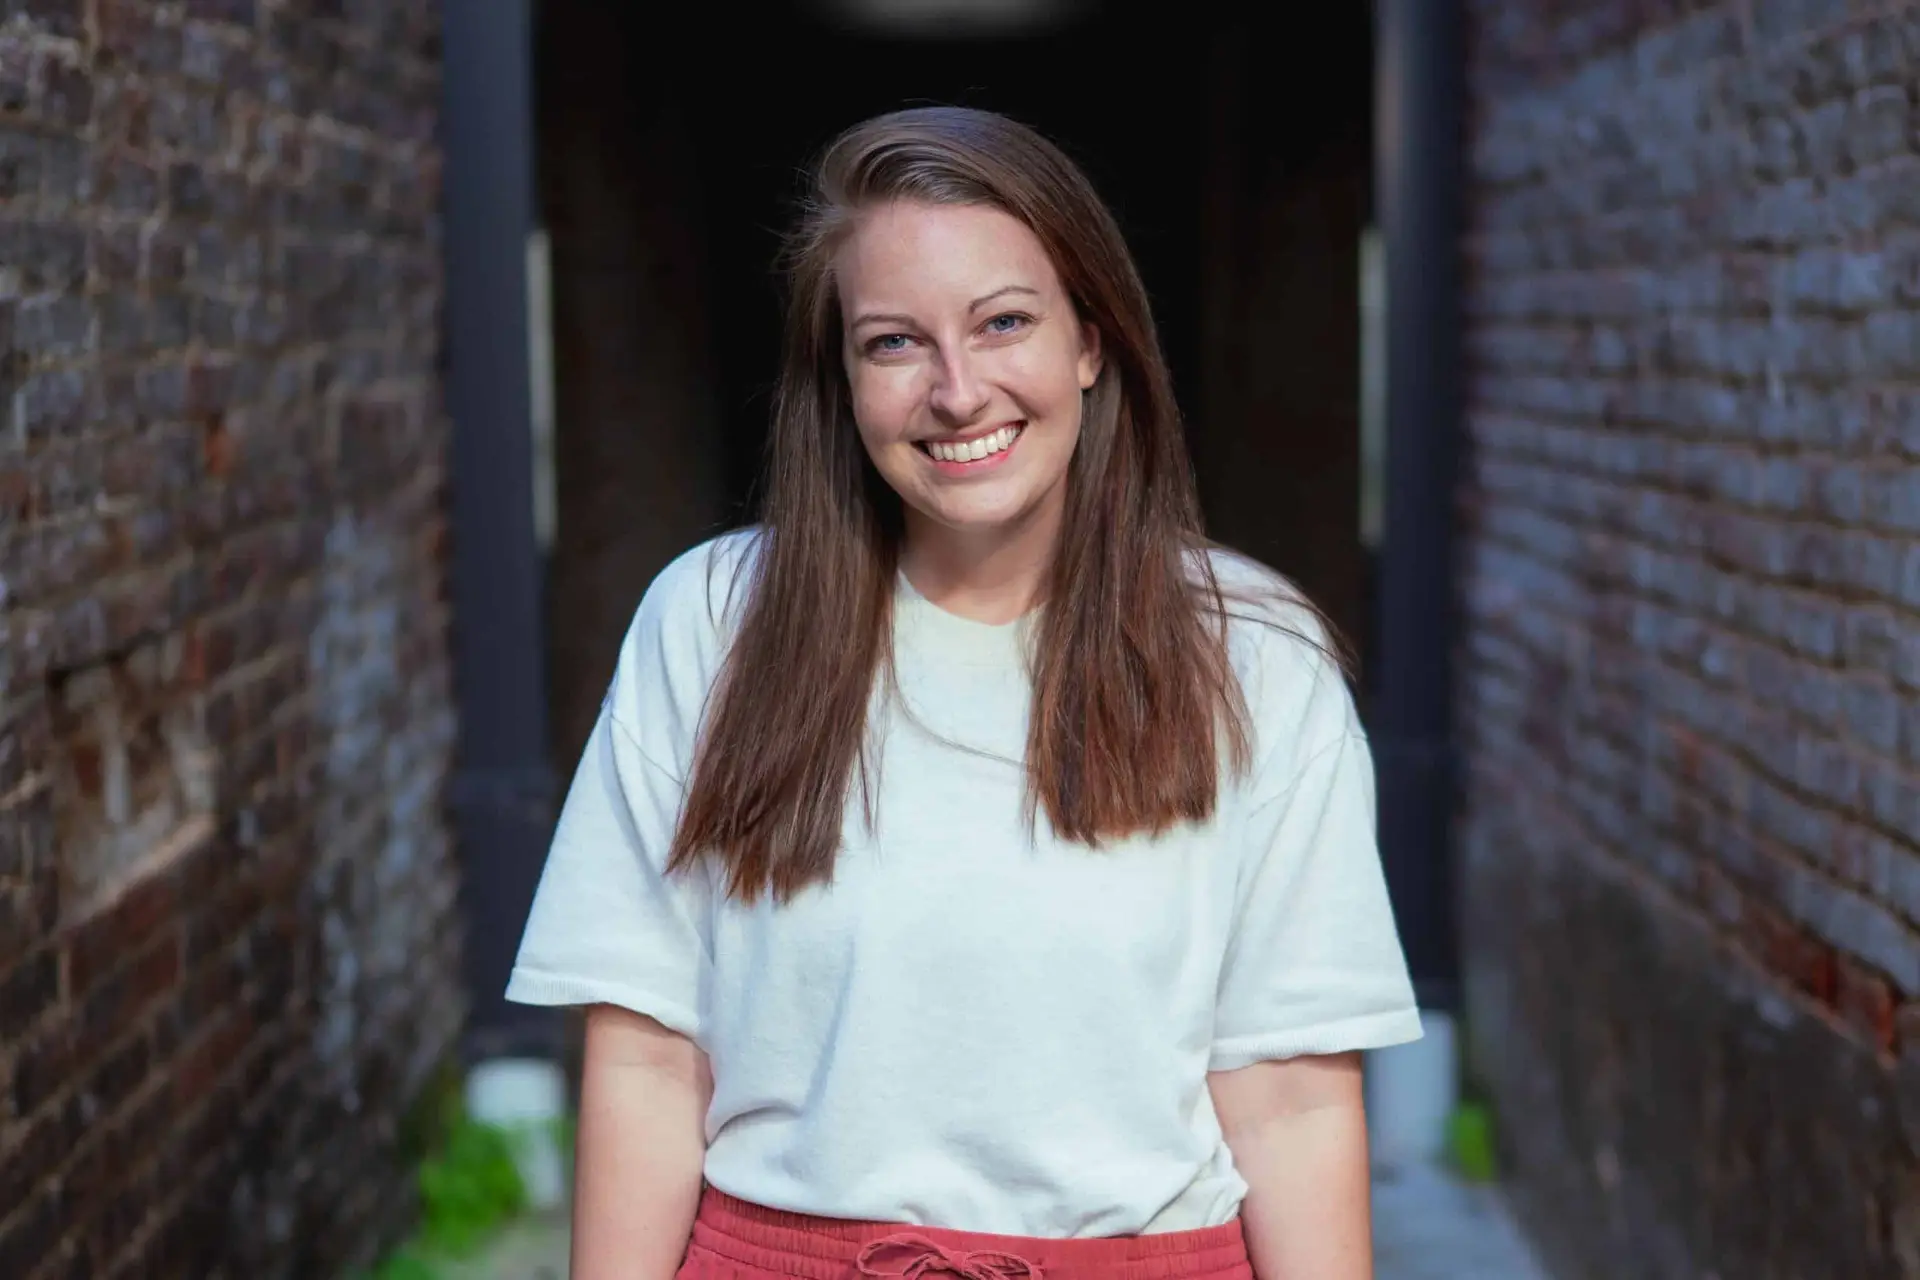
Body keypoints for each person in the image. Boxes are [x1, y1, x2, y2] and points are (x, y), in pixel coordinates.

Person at [506, 106, 1421, 1280]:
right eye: (894, 342)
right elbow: (645, 1057)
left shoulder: (1254, 656)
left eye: (1004, 322)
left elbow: (1291, 1099)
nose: (956, 388)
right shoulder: (712, 622)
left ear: (1092, 341)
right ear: (840, 378)